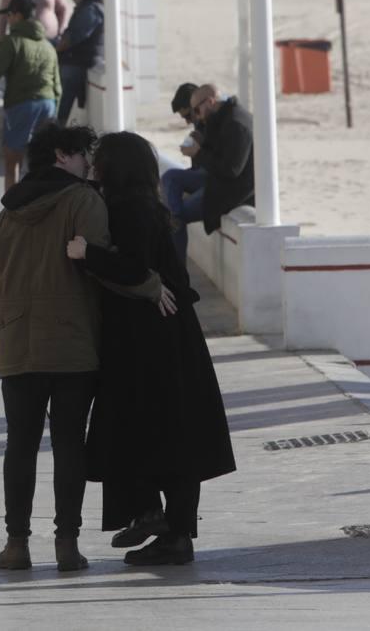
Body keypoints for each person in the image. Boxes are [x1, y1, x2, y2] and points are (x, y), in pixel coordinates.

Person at [0, 123, 165, 573]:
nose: (92, 162)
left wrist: (3, 334)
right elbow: (98, 265)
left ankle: (16, 545)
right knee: (69, 443)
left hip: (17, 340)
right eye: (85, 153)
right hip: (71, 339)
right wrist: (150, 285)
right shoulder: (83, 200)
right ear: (62, 155)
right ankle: (67, 544)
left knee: (20, 445)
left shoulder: (6, 213)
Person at [69, 131, 235, 566]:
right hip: (167, 336)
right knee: (173, 433)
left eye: (99, 161)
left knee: (147, 428)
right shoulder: (142, 205)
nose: (94, 167)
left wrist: (88, 253)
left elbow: (132, 267)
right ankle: (170, 529)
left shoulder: (130, 210)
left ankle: (159, 520)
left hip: (147, 339)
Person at [0, 0, 61, 190]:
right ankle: (44, 201)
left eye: (9, 15)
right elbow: (57, 86)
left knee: (13, 160)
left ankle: (13, 207)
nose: (7, 20)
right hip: (48, 103)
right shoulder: (47, 45)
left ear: (17, 15)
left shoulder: (11, 42)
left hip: (22, 104)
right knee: (43, 159)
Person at [174, 84, 255, 261]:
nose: (196, 116)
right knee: (170, 178)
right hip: (217, 183)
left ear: (210, 102)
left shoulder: (235, 123)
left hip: (231, 193)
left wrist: (198, 153)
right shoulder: (219, 118)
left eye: (196, 110)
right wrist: (201, 143)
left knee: (175, 219)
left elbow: (231, 169)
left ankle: (176, 273)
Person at [54, 0, 104, 126]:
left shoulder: (90, 9)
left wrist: (53, 52)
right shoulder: (89, 6)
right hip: (77, 62)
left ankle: (56, 134)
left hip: (76, 63)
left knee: (62, 107)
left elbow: (72, 37)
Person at [161, 82, 206, 232]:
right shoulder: (200, 126)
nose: (188, 121)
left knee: (176, 214)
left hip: (218, 182)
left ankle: (175, 219)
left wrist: (198, 152)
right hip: (204, 176)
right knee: (168, 180)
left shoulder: (213, 123)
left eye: (188, 116)